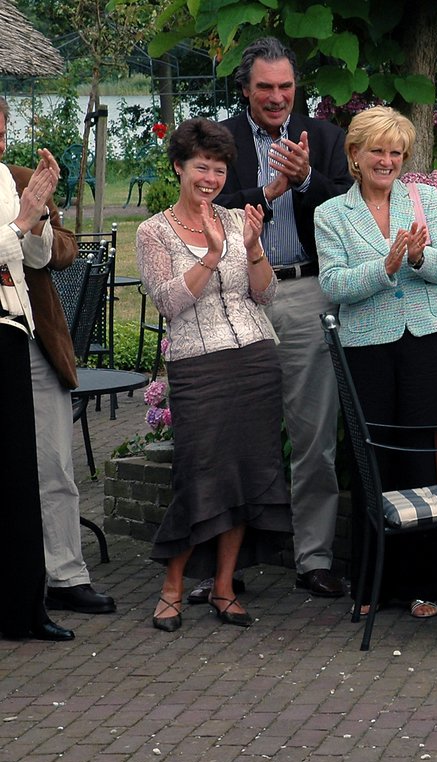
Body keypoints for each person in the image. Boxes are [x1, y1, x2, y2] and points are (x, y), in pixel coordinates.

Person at [211, 36, 353, 604]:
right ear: (245, 88)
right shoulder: (219, 139)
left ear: (299, 89)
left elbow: (350, 209)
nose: (276, 98)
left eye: (286, 87)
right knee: (234, 435)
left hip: (306, 291)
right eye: (265, 87)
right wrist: (273, 188)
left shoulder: (324, 138)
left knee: (314, 437)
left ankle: (313, 559)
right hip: (236, 296)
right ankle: (225, 569)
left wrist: (308, 181)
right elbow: (207, 207)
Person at [137, 118, 290, 631]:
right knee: (198, 475)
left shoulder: (235, 217)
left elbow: (265, 295)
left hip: (255, 359)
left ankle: (224, 587)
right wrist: (211, 255)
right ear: (179, 167)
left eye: (219, 169)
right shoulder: (153, 231)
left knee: (246, 474)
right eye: (201, 167)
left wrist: (252, 249)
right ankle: (173, 587)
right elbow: (170, 303)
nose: (210, 178)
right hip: (199, 365)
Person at [314, 106, 437, 618]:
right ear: (355, 155)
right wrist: (387, 265)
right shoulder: (332, 214)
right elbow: (334, 285)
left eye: (396, 152)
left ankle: (425, 585)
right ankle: (372, 585)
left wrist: (419, 259)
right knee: (371, 460)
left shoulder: (425, 199)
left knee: (425, 455)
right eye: (377, 150)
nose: (387, 160)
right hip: (366, 349)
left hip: (423, 342)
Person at [0, 96, 116, 617]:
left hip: (29, 337)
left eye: (0, 129)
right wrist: (21, 222)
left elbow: (54, 254)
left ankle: (65, 574)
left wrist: (39, 218)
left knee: (53, 463)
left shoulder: (20, 178)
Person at [0, 121, 75, 642]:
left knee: (22, 473)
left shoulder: (8, 180)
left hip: (13, 330)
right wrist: (22, 221)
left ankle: (27, 607)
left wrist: (38, 214)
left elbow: (36, 259)